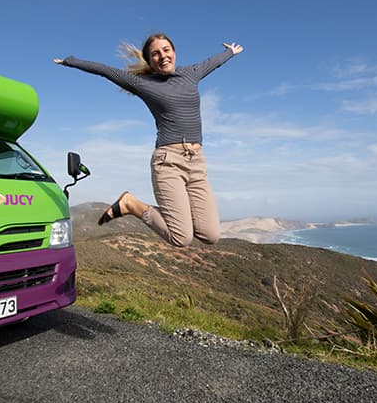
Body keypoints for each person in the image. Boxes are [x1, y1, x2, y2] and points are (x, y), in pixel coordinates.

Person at [54, 33, 243, 247]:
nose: (162, 56)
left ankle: (177, 215)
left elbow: (213, 63)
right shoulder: (143, 83)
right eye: (155, 54)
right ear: (150, 61)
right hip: (168, 162)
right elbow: (106, 71)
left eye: (166, 50)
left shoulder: (191, 73)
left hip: (197, 163)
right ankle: (131, 204)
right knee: (181, 237)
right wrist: (70, 61)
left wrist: (230, 52)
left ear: (174, 52)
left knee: (210, 235)